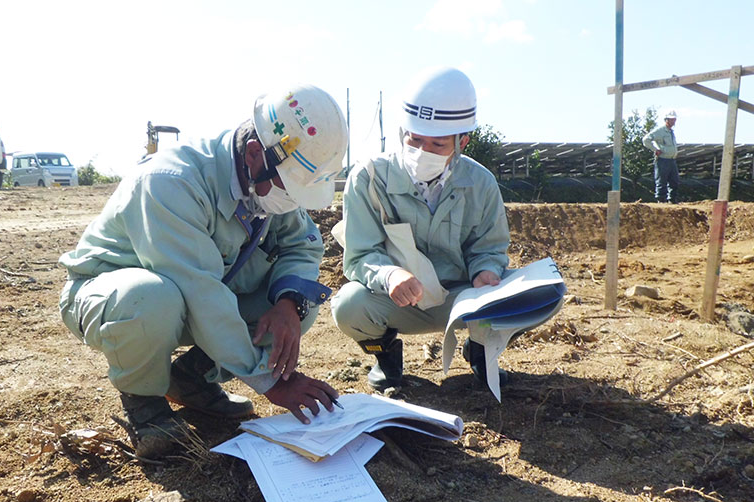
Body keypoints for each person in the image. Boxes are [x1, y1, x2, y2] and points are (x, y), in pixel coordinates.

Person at [59, 84, 348, 458]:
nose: (292, 201)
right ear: (255, 152)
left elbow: (302, 245)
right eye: (290, 188)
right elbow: (201, 292)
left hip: (190, 297)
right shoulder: (170, 182)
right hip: (115, 299)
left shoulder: (269, 180)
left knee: (289, 311)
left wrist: (289, 304)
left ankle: (191, 380)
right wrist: (271, 381)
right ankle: (144, 403)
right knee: (150, 297)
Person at [331, 67, 511, 391]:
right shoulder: (369, 179)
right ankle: (384, 357)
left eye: (437, 144)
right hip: (399, 301)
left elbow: (488, 246)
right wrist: (389, 276)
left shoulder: (481, 183)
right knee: (349, 306)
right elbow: (360, 254)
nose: (421, 151)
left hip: (461, 299)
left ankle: (482, 350)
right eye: (414, 139)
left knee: (536, 298)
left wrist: (485, 271)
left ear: (462, 142)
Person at [643, 110, 679, 203]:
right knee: (661, 181)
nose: (673, 122)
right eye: (671, 120)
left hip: (672, 160)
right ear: (666, 120)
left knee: (674, 181)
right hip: (663, 160)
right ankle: (661, 200)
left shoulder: (671, 132)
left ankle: (672, 200)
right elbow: (646, 139)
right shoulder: (660, 131)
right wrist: (655, 149)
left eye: (674, 120)